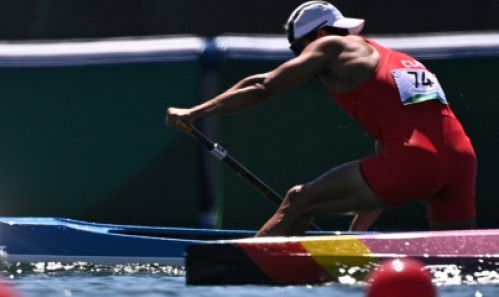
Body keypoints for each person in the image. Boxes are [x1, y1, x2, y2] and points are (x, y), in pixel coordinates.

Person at [166, 1, 477, 236]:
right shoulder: (397, 60)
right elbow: (396, 163)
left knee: (299, 200)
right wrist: (356, 239)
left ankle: (238, 270)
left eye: (300, 50)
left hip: (415, 161)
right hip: (462, 158)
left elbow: (262, 86)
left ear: (317, 35)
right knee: (458, 263)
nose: (302, 59)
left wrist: (194, 112)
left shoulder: (330, 44)